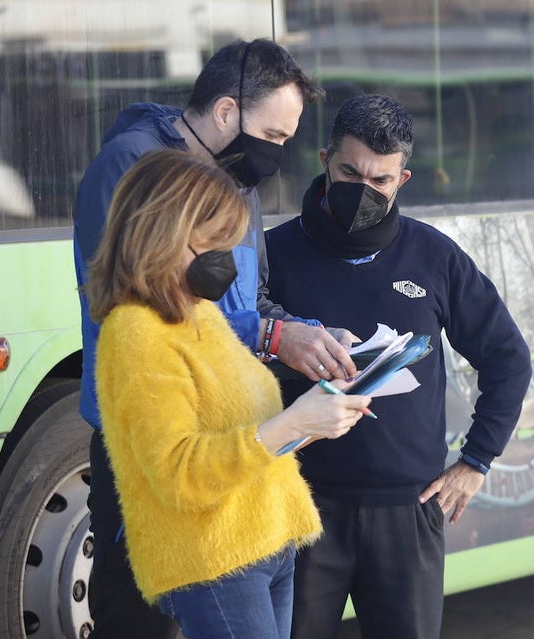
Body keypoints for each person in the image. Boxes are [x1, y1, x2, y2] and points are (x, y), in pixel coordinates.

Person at [73, 39, 358, 639]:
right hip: (162, 440)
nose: (277, 154)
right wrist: (273, 338)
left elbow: (246, 299)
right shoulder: (135, 168)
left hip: (237, 470)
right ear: (227, 113)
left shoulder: (236, 176)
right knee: (136, 620)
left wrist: (293, 334)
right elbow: (151, 306)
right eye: (274, 136)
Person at [265, 94, 533, 639]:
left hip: (407, 511)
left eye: (380, 180)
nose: (363, 190)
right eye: (349, 172)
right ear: (324, 159)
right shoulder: (272, 253)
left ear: (402, 179)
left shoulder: (435, 258)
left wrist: (477, 461)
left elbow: (508, 358)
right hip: (298, 507)